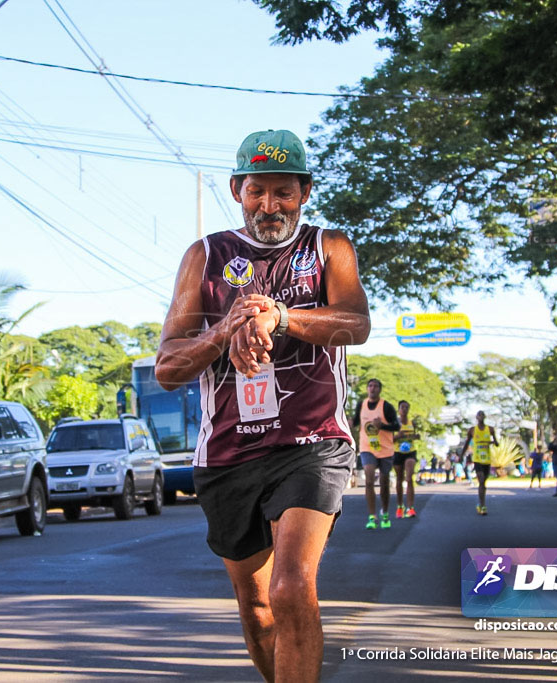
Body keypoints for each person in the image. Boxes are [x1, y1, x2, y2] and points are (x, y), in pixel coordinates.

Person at [154, 129, 370, 683]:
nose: (269, 206)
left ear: (304, 192)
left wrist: (279, 316)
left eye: (283, 192)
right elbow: (168, 367)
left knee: (292, 586)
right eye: (257, 192)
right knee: (256, 607)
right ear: (236, 190)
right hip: (228, 453)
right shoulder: (205, 256)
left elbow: (356, 324)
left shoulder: (329, 248)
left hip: (311, 442)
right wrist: (226, 329)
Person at [353, 378, 399, 529]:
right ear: (367, 389)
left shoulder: (386, 406)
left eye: (376, 386)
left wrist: (383, 426)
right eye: (370, 386)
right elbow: (354, 422)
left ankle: (384, 513)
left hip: (385, 449)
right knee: (369, 480)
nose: (372, 388)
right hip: (367, 448)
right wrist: (347, 422)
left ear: (380, 389)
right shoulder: (361, 405)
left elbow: (396, 426)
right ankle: (372, 516)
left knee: (384, 483)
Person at [460, 410, 498, 515]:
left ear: (485, 417)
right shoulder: (472, 430)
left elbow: (497, 443)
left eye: (482, 415)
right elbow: (467, 442)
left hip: (487, 459)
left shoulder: (490, 429)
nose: (481, 417)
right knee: (481, 481)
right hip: (477, 459)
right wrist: (461, 455)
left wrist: (493, 442)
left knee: (483, 483)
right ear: (476, 417)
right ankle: (482, 505)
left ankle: (481, 503)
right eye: (479, 415)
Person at [392, 400, 419, 519]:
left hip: (410, 452)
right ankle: (400, 506)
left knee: (409, 478)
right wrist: (398, 436)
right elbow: (388, 439)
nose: (404, 409)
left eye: (406, 407)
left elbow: (414, 436)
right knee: (399, 479)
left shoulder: (412, 423)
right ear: (399, 409)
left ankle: (411, 508)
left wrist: (416, 437)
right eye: (402, 407)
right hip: (397, 452)